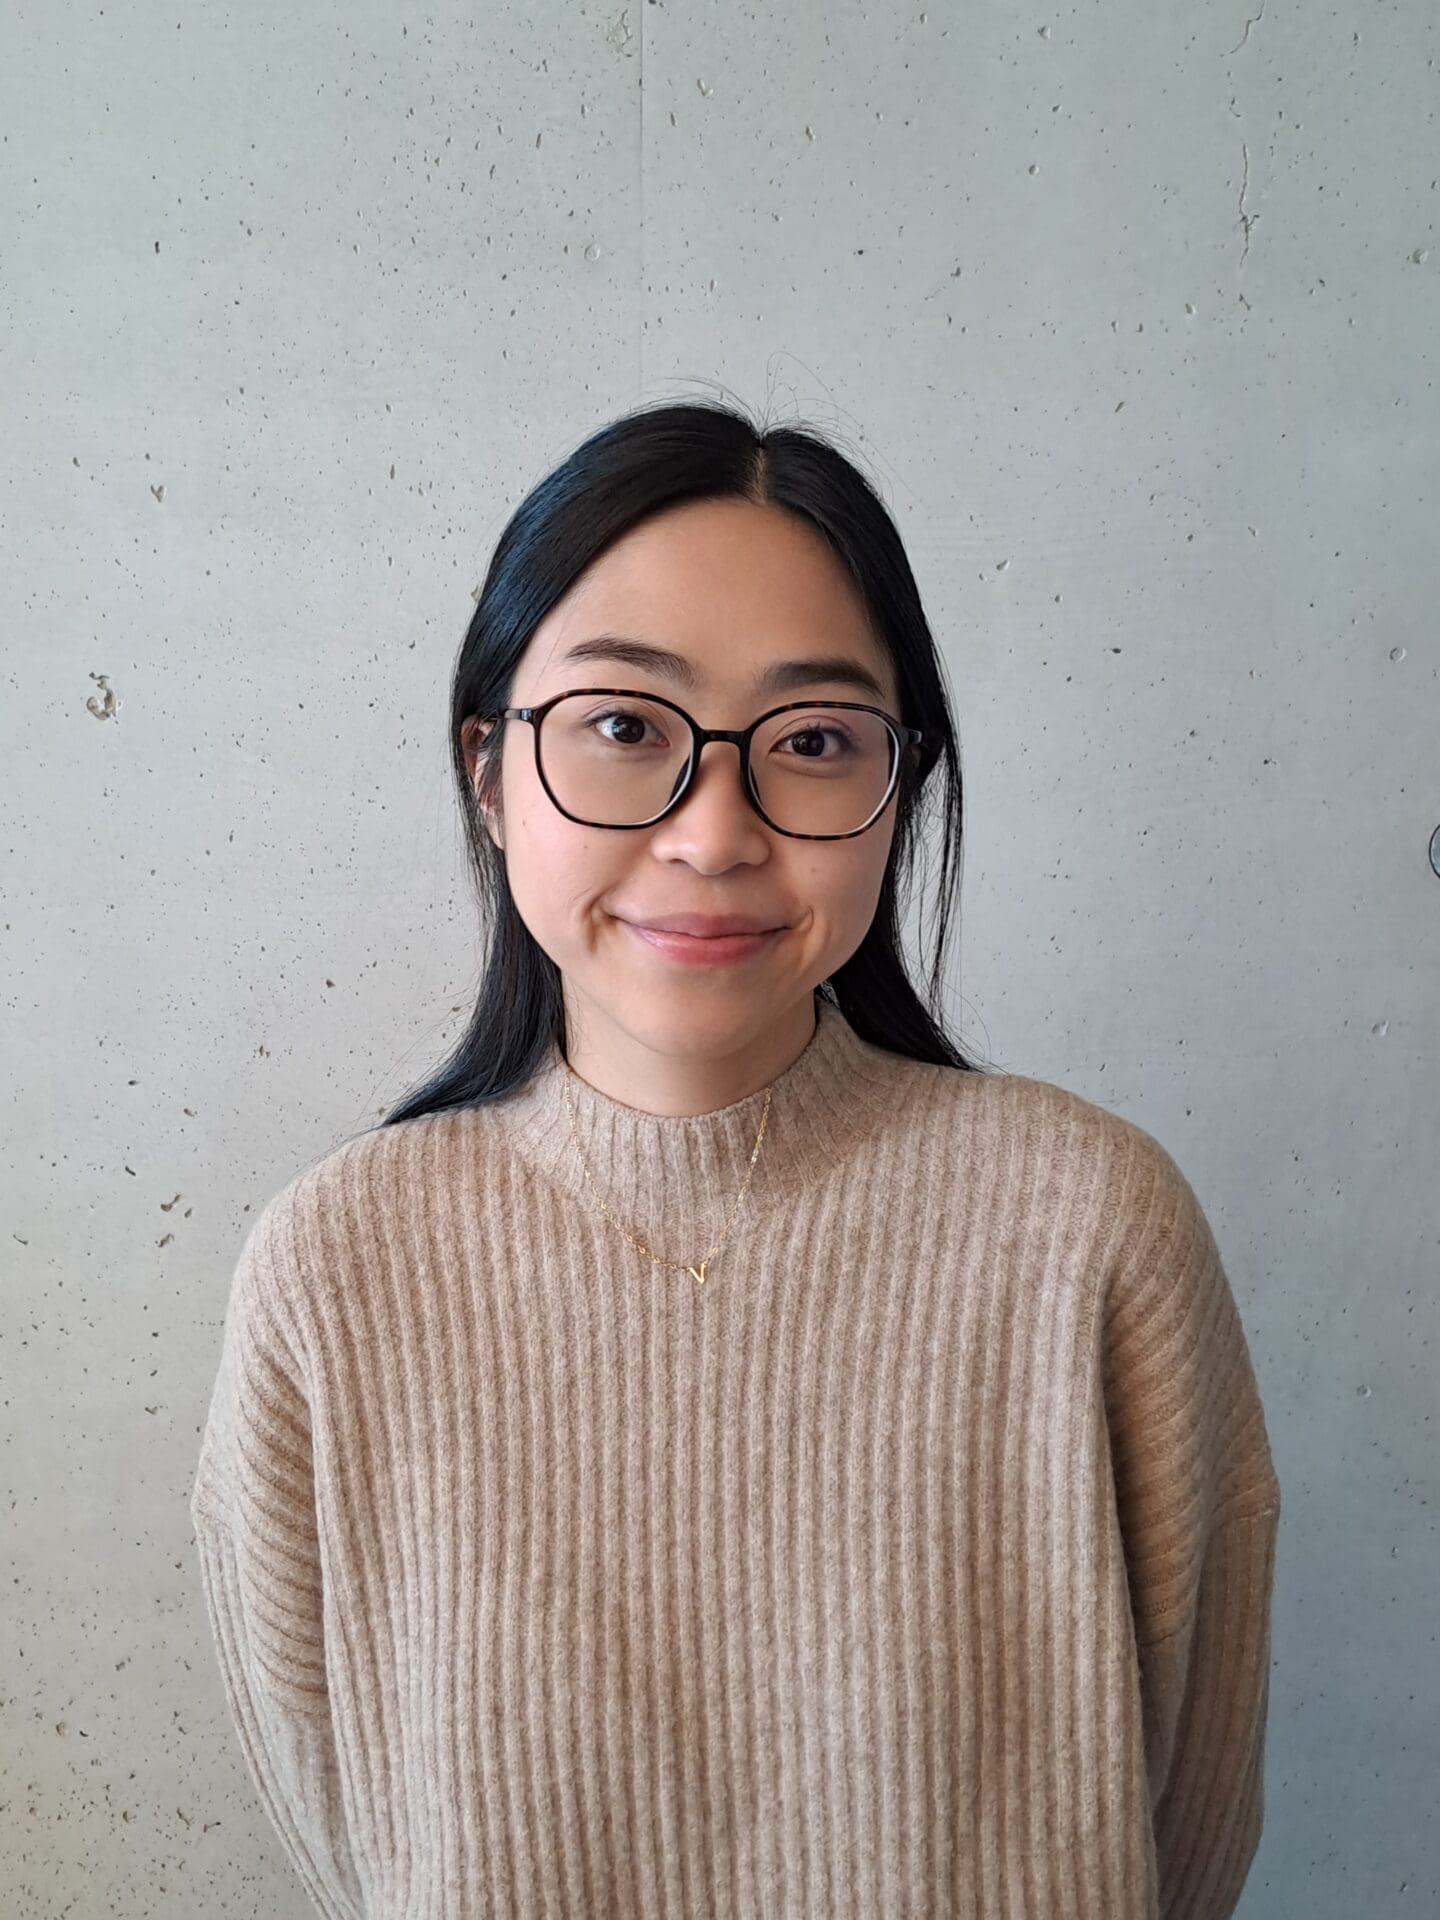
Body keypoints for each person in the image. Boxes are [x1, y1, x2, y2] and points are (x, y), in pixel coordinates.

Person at [189, 399, 1281, 1919]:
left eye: (815, 741)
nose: (713, 835)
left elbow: (1190, 1820)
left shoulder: (1092, 1232)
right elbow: (349, 1827)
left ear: (904, 788)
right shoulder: (336, 1272)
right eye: (624, 727)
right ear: (489, 774)